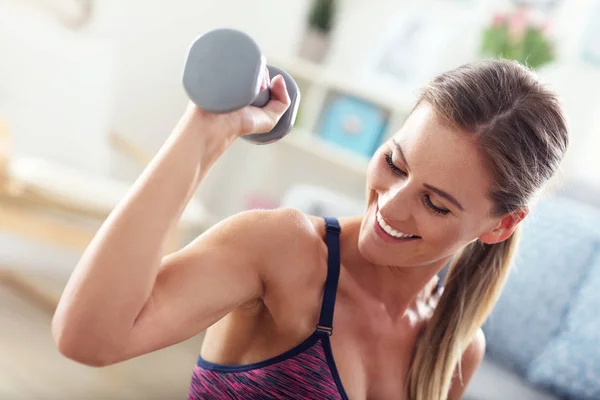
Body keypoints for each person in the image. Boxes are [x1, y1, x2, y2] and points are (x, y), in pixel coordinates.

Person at [51, 58, 569, 400]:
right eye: (395, 161)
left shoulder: (456, 345)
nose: (391, 204)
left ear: (501, 226)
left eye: (434, 204)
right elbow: (87, 338)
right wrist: (204, 131)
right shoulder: (283, 249)